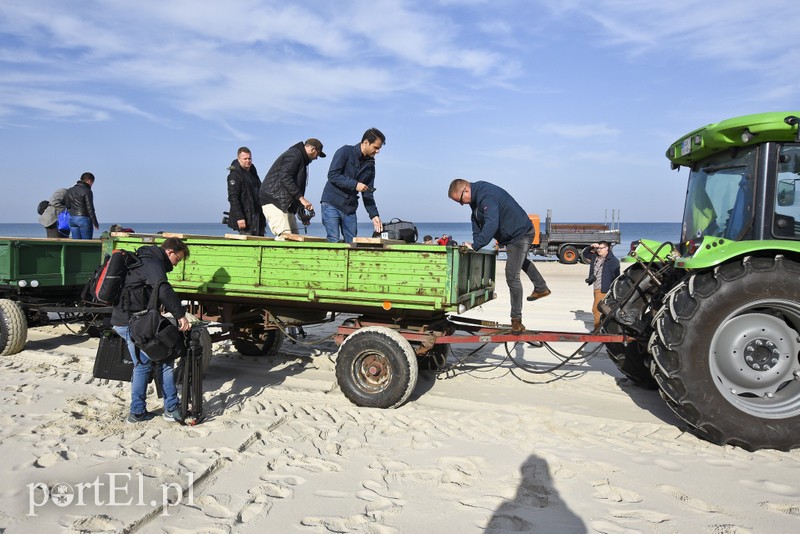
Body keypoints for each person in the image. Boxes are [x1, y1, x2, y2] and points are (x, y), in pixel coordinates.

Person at [448, 178, 550, 334]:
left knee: (512, 275)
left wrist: (476, 245)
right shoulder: (475, 199)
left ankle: (516, 321)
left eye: (461, 201)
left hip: (521, 233)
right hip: (511, 236)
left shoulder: (486, 195)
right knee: (520, 261)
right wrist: (475, 244)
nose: (462, 204)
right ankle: (541, 287)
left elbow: (491, 223)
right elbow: (476, 222)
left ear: (466, 190)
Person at [111, 237, 192, 423]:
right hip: (133, 322)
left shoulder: (145, 258)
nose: (176, 264)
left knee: (145, 364)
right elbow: (163, 289)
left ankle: (140, 411)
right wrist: (180, 315)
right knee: (161, 362)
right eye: (177, 259)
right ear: (170, 252)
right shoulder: (153, 263)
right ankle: (166, 409)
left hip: (126, 319)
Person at [320, 128, 385, 243]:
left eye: (379, 148)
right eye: (376, 147)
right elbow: (332, 175)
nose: (378, 151)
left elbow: (368, 193)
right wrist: (355, 185)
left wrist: (374, 215)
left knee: (352, 243)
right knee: (333, 240)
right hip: (331, 203)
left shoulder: (371, 166)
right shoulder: (345, 151)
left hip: (350, 208)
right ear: (366, 143)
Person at [260, 138, 325, 239]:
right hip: (273, 200)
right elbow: (285, 177)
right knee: (285, 237)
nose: (317, 158)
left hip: (283, 203)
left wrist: (302, 214)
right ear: (312, 149)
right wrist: (302, 199)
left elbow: (295, 187)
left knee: (295, 238)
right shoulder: (295, 154)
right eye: (318, 153)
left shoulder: (301, 159)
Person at [226, 147, 265, 236]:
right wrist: (239, 217)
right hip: (245, 218)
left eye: (249, 158)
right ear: (239, 159)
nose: (248, 161)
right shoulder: (234, 176)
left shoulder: (253, 174)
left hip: (257, 215)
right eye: (245, 159)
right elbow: (233, 197)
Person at [586, 241, 620, 331]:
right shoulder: (595, 257)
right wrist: (591, 246)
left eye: (601, 248)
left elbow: (616, 277)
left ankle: (597, 331)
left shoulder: (613, 261)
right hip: (596, 287)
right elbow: (585, 254)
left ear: (607, 248)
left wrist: (612, 290)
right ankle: (603, 329)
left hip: (604, 289)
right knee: (602, 310)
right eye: (598, 248)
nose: (599, 250)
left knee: (596, 310)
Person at [65, 172, 99, 239]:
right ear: (89, 181)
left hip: (72, 219)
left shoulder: (70, 190)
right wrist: (95, 222)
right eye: (92, 183)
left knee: (76, 244)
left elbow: (67, 205)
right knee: (87, 244)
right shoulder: (87, 191)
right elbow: (90, 208)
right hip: (84, 219)